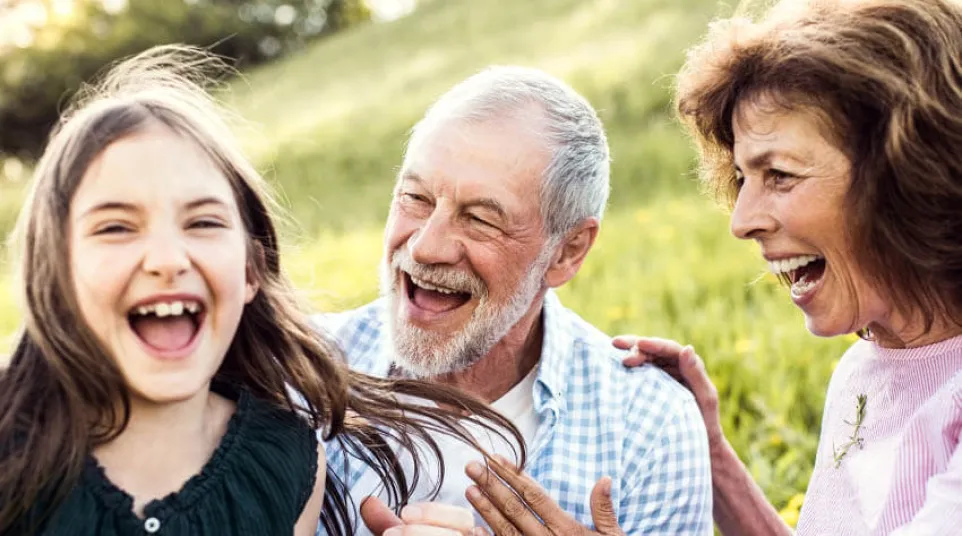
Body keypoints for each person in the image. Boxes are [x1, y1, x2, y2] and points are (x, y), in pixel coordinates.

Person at [0, 45, 521, 536]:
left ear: (252, 270)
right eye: (115, 227)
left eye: (203, 222)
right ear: (56, 271)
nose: (166, 259)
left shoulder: (288, 463)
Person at [611, 0, 962, 534]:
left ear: (911, 172)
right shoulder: (862, 371)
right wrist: (710, 452)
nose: (742, 220)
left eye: (778, 174)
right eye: (742, 178)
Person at [315, 66, 713, 535]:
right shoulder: (296, 374)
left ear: (567, 251)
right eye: (415, 198)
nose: (425, 247)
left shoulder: (648, 428)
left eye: (480, 219)